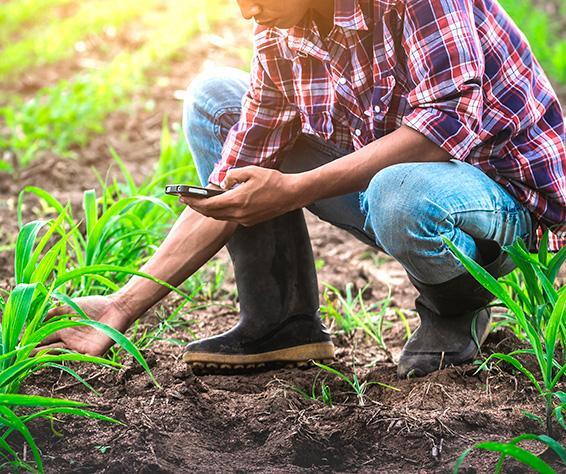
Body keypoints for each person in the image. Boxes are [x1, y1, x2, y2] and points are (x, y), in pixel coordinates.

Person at [42, 0, 565, 378]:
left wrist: (295, 188)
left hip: (504, 198)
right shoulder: (282, 28)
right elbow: (234, 177)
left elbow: (443, 125)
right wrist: (121, 308)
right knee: (213, 101)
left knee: (399, 192)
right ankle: (279, 321)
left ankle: (455, 307)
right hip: (392, 186)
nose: (246, 10)